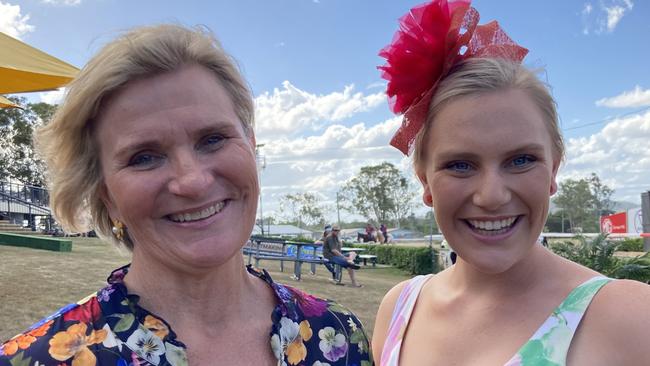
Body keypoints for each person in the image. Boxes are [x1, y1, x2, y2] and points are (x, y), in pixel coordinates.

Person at [0, 25, 371, 365]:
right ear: (106, 195)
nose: (192, 181)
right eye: (144, 157)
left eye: (213, 139)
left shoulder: (339, 334)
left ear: (251, 148)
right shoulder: (38, 359)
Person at [372, 1, 650, 365]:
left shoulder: (626, 318)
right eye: (459, 165)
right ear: (425, 182)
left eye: (521, 160)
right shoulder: (399, 310)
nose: (492, 196)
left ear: (553, 170)